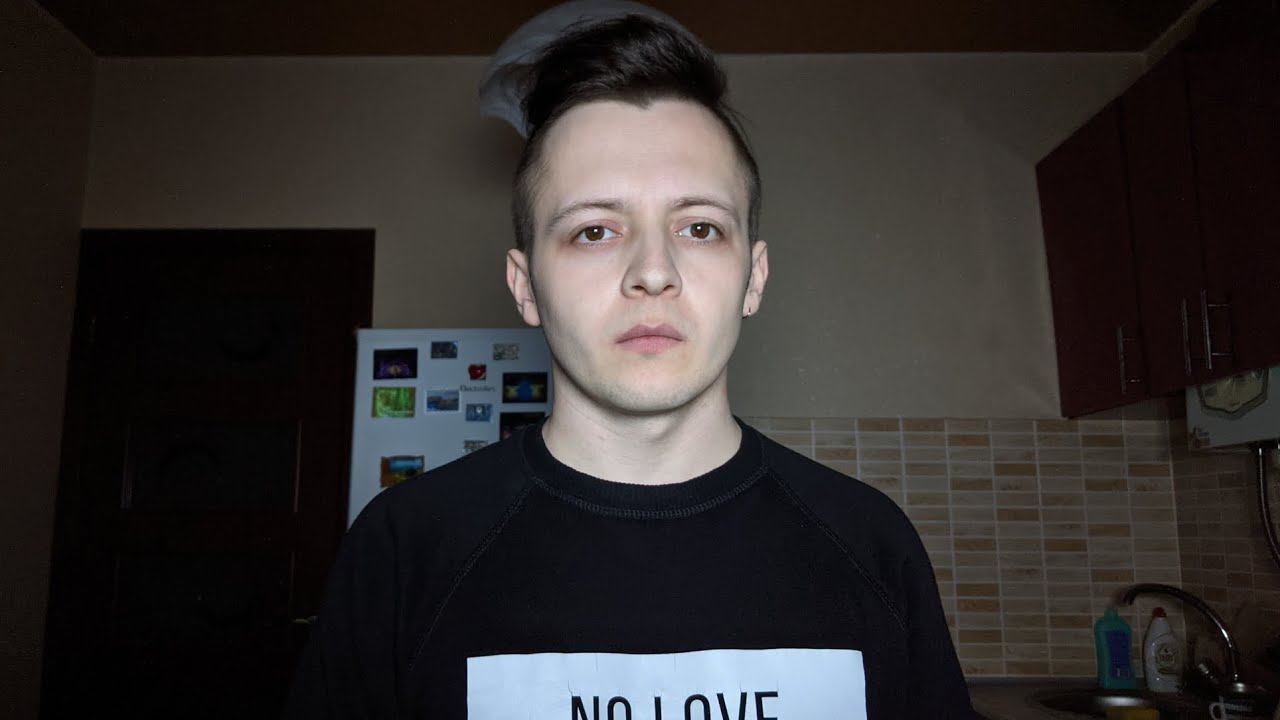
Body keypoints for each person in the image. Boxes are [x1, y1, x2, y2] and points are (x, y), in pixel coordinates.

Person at [284, 13, 976, 719]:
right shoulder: (404, 550)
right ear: (526, 286)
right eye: (594, 231)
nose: (652, 271)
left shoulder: (871, 543)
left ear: (755, 276)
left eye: (700, 227)